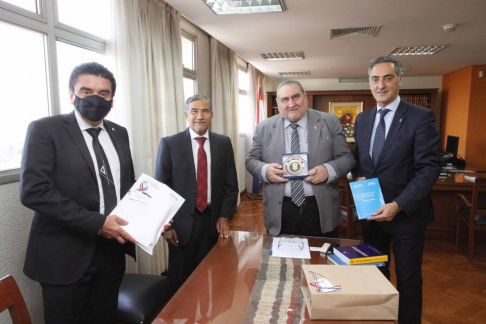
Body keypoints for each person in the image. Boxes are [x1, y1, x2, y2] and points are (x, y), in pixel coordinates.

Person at [20, 62, 137, 324]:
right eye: (86, 91)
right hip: (64, 255)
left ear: (112, 100)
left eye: (104, 93)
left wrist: (149, 217)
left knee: (105, 317)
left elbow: (125, 186)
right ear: (72, 95)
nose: (95, 98)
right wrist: (98, 224)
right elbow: (34, 192)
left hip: (111, 253)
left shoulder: (120, 133)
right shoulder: (45, 129)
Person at [352, 56, 441, 324]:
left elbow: (429, 169)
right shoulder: (363, 119)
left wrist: (398, 204)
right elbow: (359, 161)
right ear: (369, 83)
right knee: (375, 273)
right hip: (372, 215)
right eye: (375, 79)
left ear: (400, 80)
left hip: (407, 217)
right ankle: (380, 319)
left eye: (387, 78)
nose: (381, 85)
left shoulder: (420, 117)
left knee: (408, 279)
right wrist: (357, 177)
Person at [246, 80, 355, 237]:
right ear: (278, 103)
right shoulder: (264, 127)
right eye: (285, 99)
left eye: (295, 97)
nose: (291, 104)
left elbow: (347, 158)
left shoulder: (329, 122)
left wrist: (327, 170)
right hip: (280, 209)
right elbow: (251, 161)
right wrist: (265, 170)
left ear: (305, 97)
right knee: (283, 261)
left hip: (320, 208)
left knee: (321, 259)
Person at [155, 94, 238, 290]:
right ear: (186, 115)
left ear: (212, 115)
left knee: (212, 275)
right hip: (180, 225)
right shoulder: (170, 144)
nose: (200, 116)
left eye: (205, 111)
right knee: (181, 280)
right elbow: (161, 189)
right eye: (194, 111)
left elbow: (231, 184)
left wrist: (225, 215)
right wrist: (167, 227)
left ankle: (208, 317)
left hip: (212, 221)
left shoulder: (223, 143)